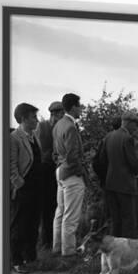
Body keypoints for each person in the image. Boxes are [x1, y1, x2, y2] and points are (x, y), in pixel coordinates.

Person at [52, 93, 86, 258]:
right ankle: (69, 252)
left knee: (61, 212)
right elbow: (73, 156)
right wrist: (80, 171)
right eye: (80, 106)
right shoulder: (71, 127)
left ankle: (57, 248)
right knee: (71, 215)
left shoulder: (58, 124)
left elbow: (57, 151)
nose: (81, 109)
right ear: (73, 107)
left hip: (60, 170)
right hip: (71, 172)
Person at [10, 103, 43, 273]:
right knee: (19, 224)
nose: (36, 120)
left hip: (35, 187)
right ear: (23, 119)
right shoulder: (14, 137)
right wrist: (18, 183)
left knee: (33, 223)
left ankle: (30, 257)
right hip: (24, 188)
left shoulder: (32, 136)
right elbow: (11, 165)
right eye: (33, 117)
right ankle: (16, 260)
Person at [101, 111, 138, 238]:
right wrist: (136, 171)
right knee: (129, 220)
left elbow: (102, 161)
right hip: (125, 185)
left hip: (110, 184)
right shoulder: (128, 139)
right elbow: (134, 164)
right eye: (135, 125)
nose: (136, 128)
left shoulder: (108, 137)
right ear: (129, 123)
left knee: (115, 220)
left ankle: (114, 250)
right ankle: (129, 253)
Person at [36, 101, 64, 249]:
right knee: (48, 206)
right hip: (46, 169)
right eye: (59, 114)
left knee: (56, 206)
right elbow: (40, 150)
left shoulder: (56, 127)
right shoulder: (43, 126)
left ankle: (53, 240)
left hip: (55, 169)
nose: (60, 116)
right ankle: (46, 240)